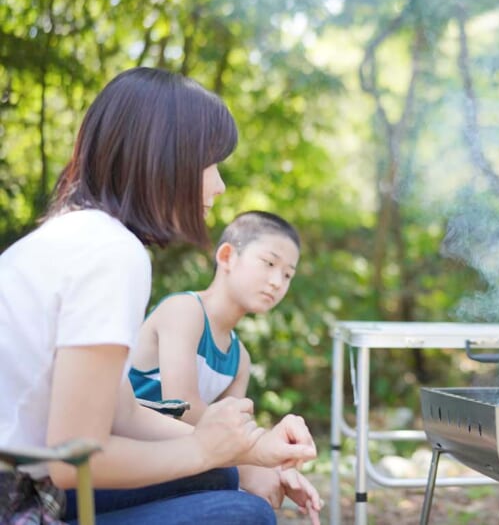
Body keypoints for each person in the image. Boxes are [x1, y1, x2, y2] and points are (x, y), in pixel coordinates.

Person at [0, 67, 318, 525]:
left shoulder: (78, 234)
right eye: (211, 164)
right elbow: (71, 460)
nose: (219, 185)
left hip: (28, 479)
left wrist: (249, 451)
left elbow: (123, 412)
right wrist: (201, 449)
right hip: (20, 502)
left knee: (224, 477)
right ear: (166, 159)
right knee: (243, 514)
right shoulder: (112, 253)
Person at [129, 211, 321, 521]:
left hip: (173, 459)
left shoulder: (239, 358)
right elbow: (184, 408)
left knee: (243, 490)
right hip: (128, 453)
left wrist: (276, 470)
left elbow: (231, 435)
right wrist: (257, 454)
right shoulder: (185, 310)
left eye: (288, 275)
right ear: (228, 256)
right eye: (269, 264)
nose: (276, 282)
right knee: (232, 481)